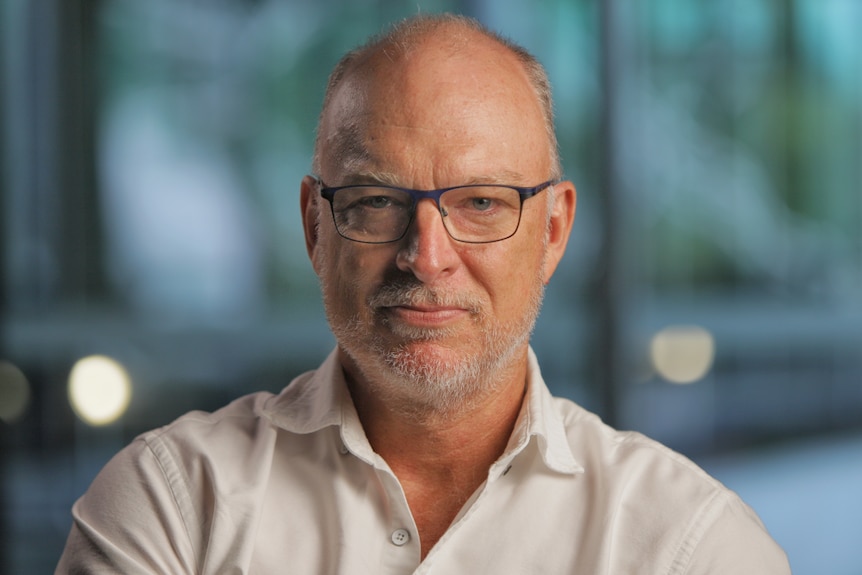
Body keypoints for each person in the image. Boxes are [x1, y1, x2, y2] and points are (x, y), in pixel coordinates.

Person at [57, 13, 790, 574]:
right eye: (376, 201)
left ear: (554, 230)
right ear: (317, 225)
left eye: (480, 203)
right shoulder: (174, 507)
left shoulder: (689, 544)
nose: (426, 256)